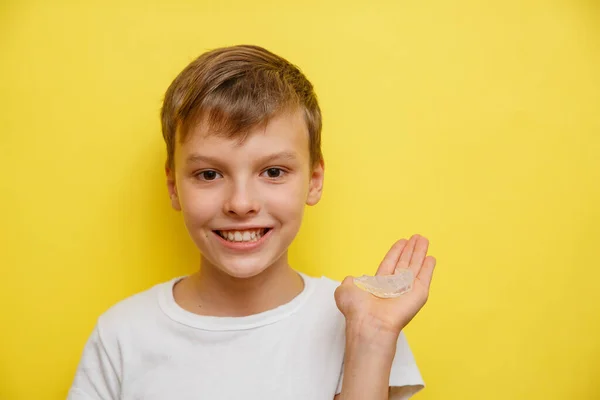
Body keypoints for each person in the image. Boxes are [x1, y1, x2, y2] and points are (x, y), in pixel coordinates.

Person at [67, 44, 437, 400]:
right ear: (173, 186)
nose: (240, 203)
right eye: (209, 174)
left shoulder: (363, 322)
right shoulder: (122, 335)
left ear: (314, 180)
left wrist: (371, 338)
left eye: (273, 171)